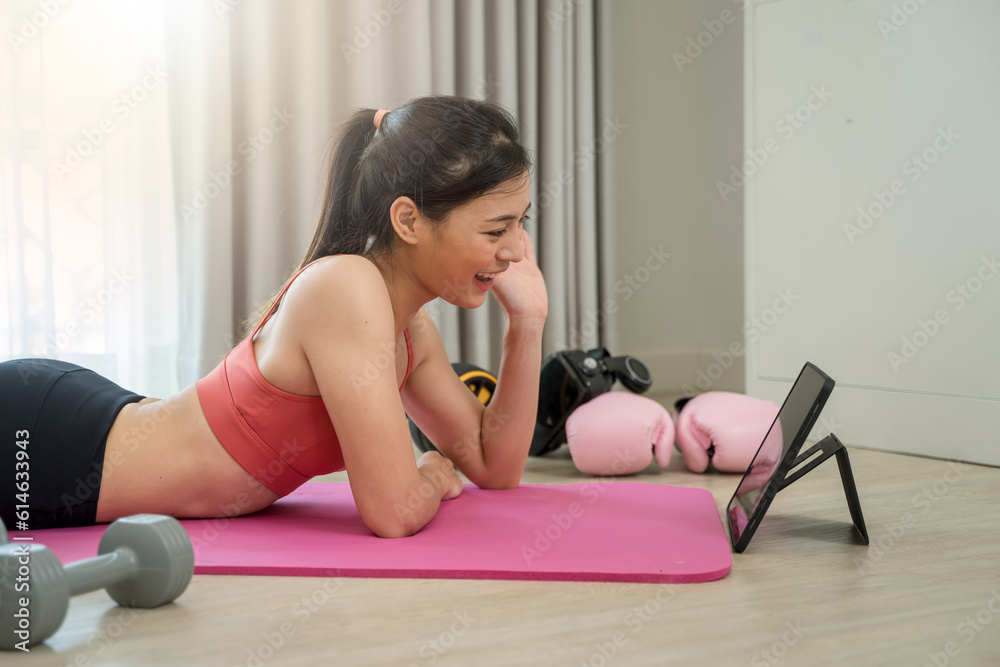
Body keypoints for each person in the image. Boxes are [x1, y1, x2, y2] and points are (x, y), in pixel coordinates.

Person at [1, 96, 547, 538]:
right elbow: (396, 511)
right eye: (496, 230)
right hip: (49, 441)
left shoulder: (410, 332)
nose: (517, 250)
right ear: (408, 220)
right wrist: (428, 472)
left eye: (519, 224)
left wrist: (527, 326)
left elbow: (493, 467)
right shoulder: (346, 287)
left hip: (89, 420)